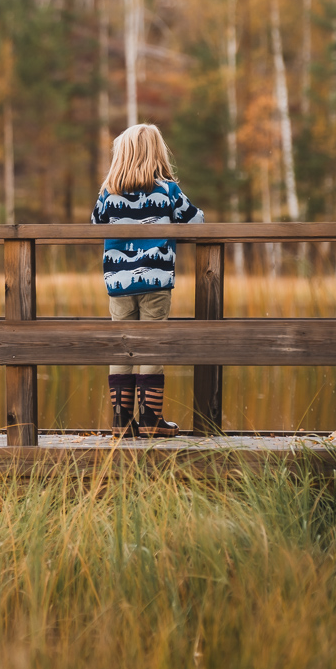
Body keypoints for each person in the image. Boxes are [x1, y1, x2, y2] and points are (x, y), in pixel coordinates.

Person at [93, 123, 203, 437]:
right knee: (151, 346)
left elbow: (95, 222)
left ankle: (121, 421)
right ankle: (151, 419)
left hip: (118, 284)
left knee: (123, 345)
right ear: (157, 152)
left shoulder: (108, 192)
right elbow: (195, 221)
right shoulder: (168, 190)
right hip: (155, 281)